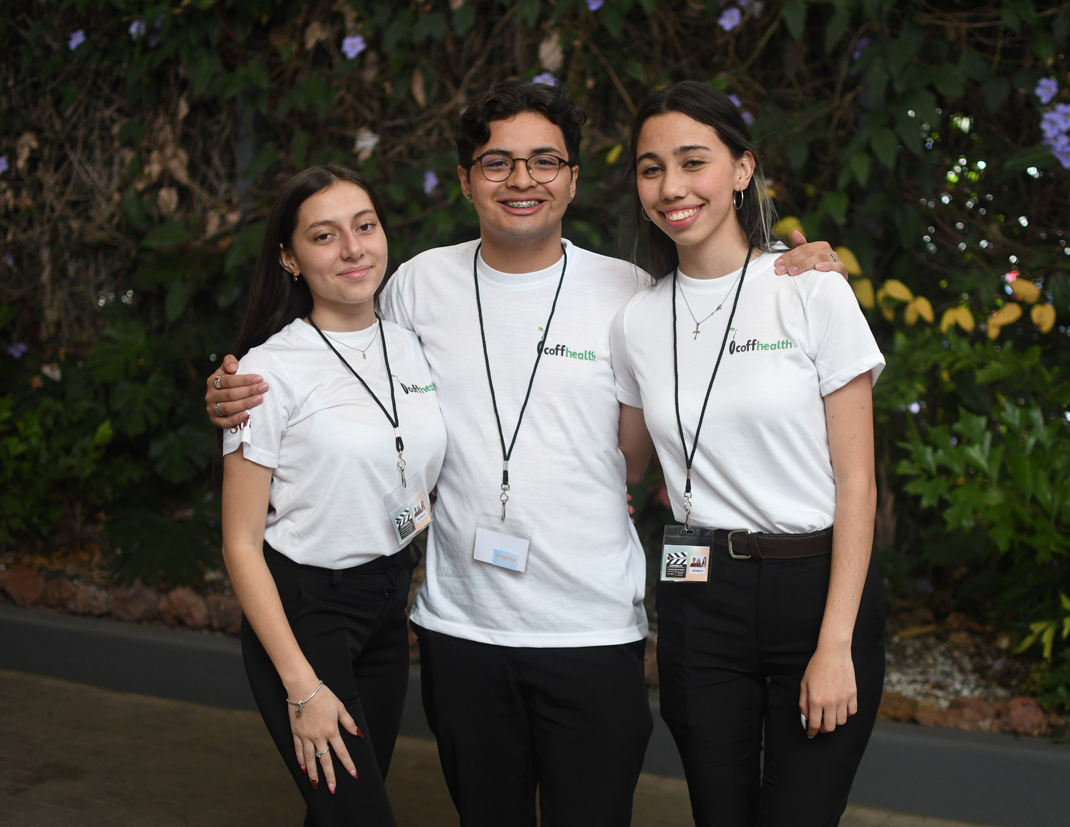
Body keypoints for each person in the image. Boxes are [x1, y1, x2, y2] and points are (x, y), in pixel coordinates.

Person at [206, 80, 845, 826]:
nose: (522, 180)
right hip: (461, 629)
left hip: (592, 627)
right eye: (498, 162)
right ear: (466, 179)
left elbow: (692, 380)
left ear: (574, 179)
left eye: (545, 162)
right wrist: (232, 389)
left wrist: (789, 268)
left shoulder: (633, 295)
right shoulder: (415, 285)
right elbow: (328, 354)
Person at [611, 81, 887, 826]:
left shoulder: (808, 290)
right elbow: (620, 465)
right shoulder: (637, 319)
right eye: (650, 167)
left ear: (741, 169)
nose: (671, 187)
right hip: (697, 590)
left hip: (814, 585)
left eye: (693, 161)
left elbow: (858, 483)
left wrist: (836, 646)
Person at [220, 165, 446, 826]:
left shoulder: (409, 342)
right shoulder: (268, 372)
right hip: (305, 611)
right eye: (325, 235)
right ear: (290, 257)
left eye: (365, 225)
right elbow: (239, 541)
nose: (353, 248)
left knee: (339, 812)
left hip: (385, 598)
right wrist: (300, 684)